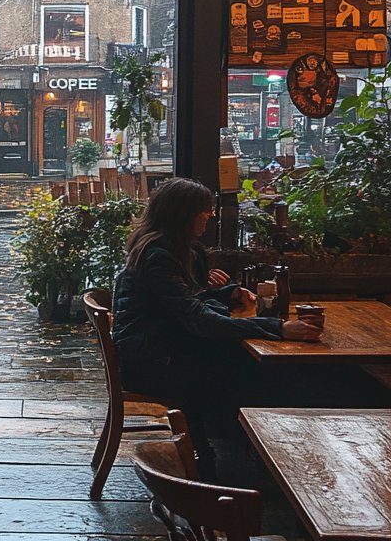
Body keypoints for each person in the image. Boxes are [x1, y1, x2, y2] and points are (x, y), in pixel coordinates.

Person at [111, 178, 321, 479]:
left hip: (157, 353)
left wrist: (227, 293)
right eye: (204, 210)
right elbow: (199, 320)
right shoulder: (158, 256)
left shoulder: (171, 250)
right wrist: (277, 327)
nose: (209, 216)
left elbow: (185, 302)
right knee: (254, 370)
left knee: (245, 363)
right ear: (183, 214)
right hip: (152, 365)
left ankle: (240, 452)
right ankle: (246, 458)